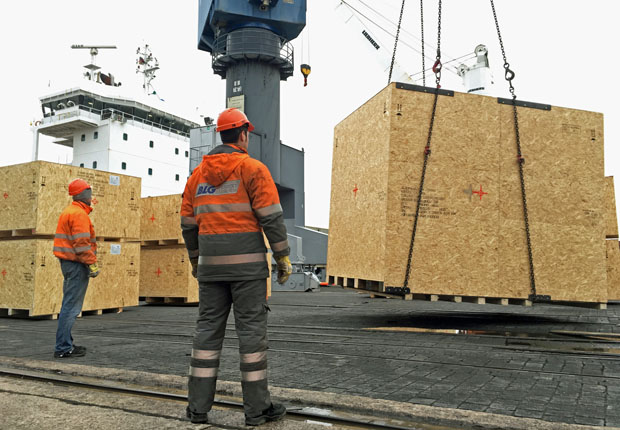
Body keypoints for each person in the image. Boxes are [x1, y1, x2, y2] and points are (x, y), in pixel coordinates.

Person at [181, 108, 293, 426]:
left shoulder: (195, 178)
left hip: (211, 270)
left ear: (221, 135)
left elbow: (188, 225)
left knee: (206, 336)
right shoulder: (252, 169)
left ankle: (197, 410)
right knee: (251, 338)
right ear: (243, 134)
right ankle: (257, 410)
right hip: (248, 272)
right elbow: (271, 216)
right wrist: (282, 256)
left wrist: (194, 259)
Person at [52, 178, 100, 358]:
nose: (91, 195)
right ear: (82, 194)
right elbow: (81, 245)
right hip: (76, 264)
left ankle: (66, 344)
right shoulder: (79, 214)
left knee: (69, 304)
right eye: (89, 192)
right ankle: (63, 348)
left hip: (69, 264)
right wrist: (92, 263)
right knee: (71, 307)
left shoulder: (69, 212)